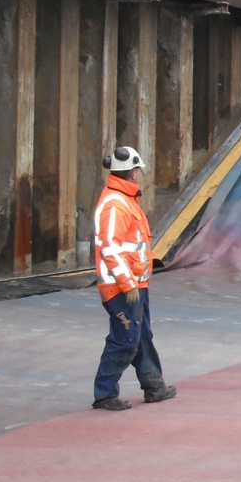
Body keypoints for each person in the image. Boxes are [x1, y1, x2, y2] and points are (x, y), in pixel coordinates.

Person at [91, 146, 177, 410]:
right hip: (122, 287)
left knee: (141, 336)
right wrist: (127, 284)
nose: (140, 174)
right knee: (125, 339)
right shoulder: (116, 205)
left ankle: (154, 386)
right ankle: (105, 394)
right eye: (138, 170)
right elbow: (109, 247)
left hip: (136, 284)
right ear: (131, 173)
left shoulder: (125, 200)